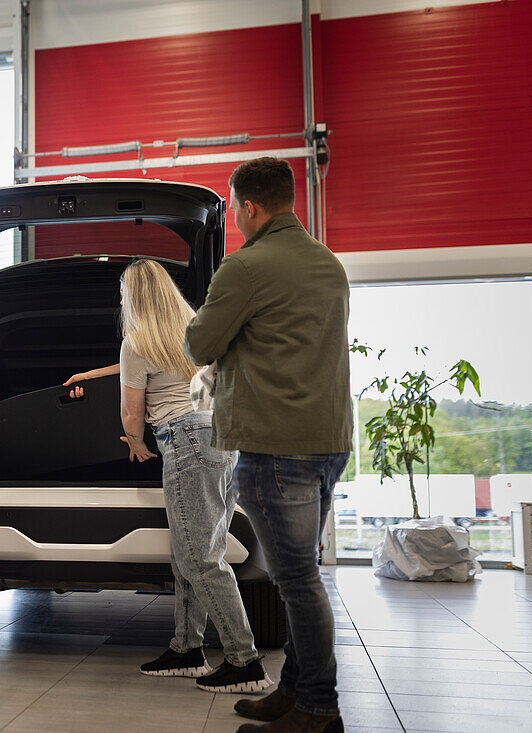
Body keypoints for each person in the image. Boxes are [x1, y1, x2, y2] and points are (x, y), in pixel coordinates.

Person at [183, 158, 352, 733]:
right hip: (327, 441)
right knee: (302, 575)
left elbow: (200, 342)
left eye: (232, 207)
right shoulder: (328, 263)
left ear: (249, 207)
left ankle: (318, 708)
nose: (233, 216)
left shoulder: (246, 267)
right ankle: (296, 690)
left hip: (275, 446)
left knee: (297, 581)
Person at [64, 259, 271, 694]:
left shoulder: (135, 340)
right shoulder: (196, 328)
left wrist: (135, 441)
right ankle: (186, 651)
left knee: (200, 559)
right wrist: (93, 374)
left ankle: (244, 661)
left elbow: (131, 409)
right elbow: (159, 368)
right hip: (219, 436)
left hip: (184, 440)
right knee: (189, 554)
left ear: (132, 298)